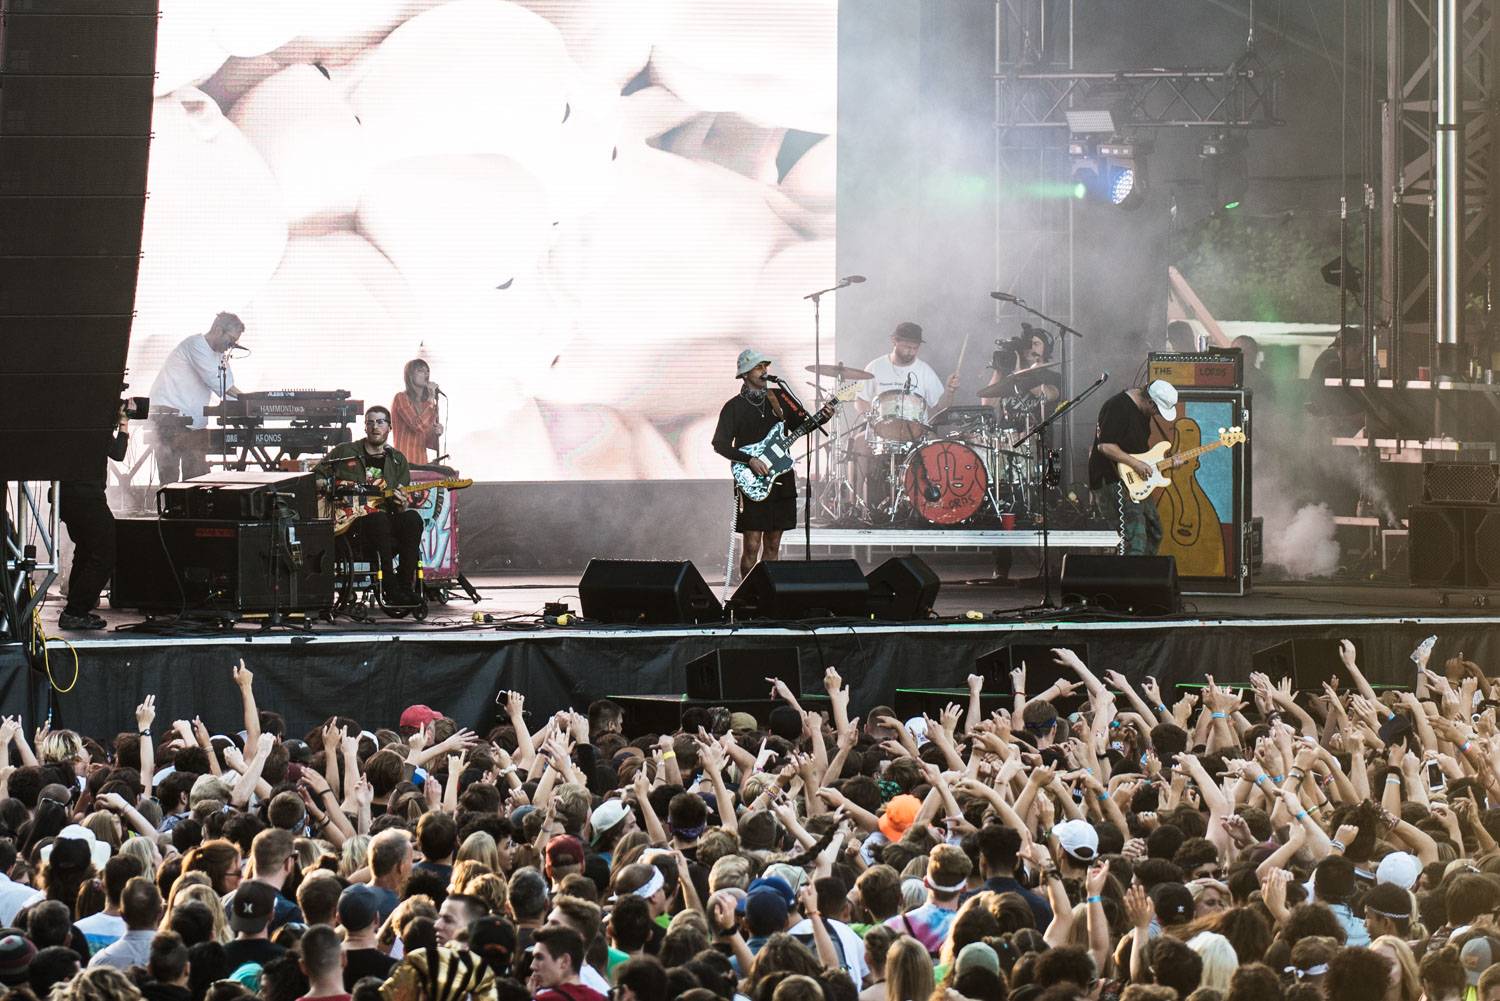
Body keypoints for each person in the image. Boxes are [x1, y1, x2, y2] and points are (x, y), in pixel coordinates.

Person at [711, 349, 832, 580]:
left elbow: (802, 425)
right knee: (752, 544)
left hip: (781, 477)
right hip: (752, 478)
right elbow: (720, 444)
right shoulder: (733, 407)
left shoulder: (779, 397)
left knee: (774, 543)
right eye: (758, 367)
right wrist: (750, 460)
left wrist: (823, 417)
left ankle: (766, 593)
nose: (764, 371)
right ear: (745, 374)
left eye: (765, 366)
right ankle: (746, 595)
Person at [317, 405, 426, 605]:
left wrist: (401, 504)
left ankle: (405, 587)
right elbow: (315, 477)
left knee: (412, 519)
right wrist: (331, 486)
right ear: (365, 428)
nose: (375, 427)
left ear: (390, 428)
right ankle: (390, 589)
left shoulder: (397, 460)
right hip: (352, 525)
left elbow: (399, 507)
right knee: (378, 519)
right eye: (370, 422)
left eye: (380, 422)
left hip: (383, 521)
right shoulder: (345, 451)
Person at [56, 405, 130, 630]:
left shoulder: (68, 417)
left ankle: (76, 608)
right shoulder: (94, 420)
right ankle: (75, 610)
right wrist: (123, 424)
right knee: (105, 553)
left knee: (86, 551)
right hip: (86, 497)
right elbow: (118, 452)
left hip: (66, 495)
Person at [148, 312, 245, 484]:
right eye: (230, 340)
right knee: (170, 476)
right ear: (217, 330)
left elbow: (227, 390)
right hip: (169, 416)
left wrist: (247, 409)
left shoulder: (220, 356)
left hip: (191, 422)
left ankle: (190, 510)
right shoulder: (196, 345)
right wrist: (253, 402)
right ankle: (170, 510)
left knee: (196, 477)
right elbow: (222, 386)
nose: (231, 345)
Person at [1088, 378, 1178, 556]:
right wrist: (1136, 464)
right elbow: (1105, 446)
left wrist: (1167, 463)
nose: (1157, 415)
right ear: (1150, 402)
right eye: (1157, 410)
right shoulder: (1117, 407)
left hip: (1135, 482)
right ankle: (1130, 582)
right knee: (1134, 539)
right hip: (1113, 479)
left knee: (1154, 532)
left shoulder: (1143, 412)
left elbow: (1140, 454)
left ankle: (1145, 578)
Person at [856, 321, 959, 417]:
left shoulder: (925, 371)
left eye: (915, 348)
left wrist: (949, 392)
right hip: (882, 431)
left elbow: (940, 408)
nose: (911, 352)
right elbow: (860, 399)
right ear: (894, 341)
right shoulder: (875, 367)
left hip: (916, 433)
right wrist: (871, 421)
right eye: (907, 347)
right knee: (857, 437)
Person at [527, 925, 604, 1001]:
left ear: (564, 961)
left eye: (539, 958)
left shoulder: (545, 999)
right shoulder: (602, 998)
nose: (532, 966)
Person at [391, 358, 442, 464]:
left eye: (427, 371)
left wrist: (436, 433)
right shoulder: (401, 398)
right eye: (420, 371)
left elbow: (429, 442)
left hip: (422, 464)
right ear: (410, 375)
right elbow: (417, 426)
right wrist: (431, 400)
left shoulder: (430, 405)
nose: (426, 374)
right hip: (404, 464)